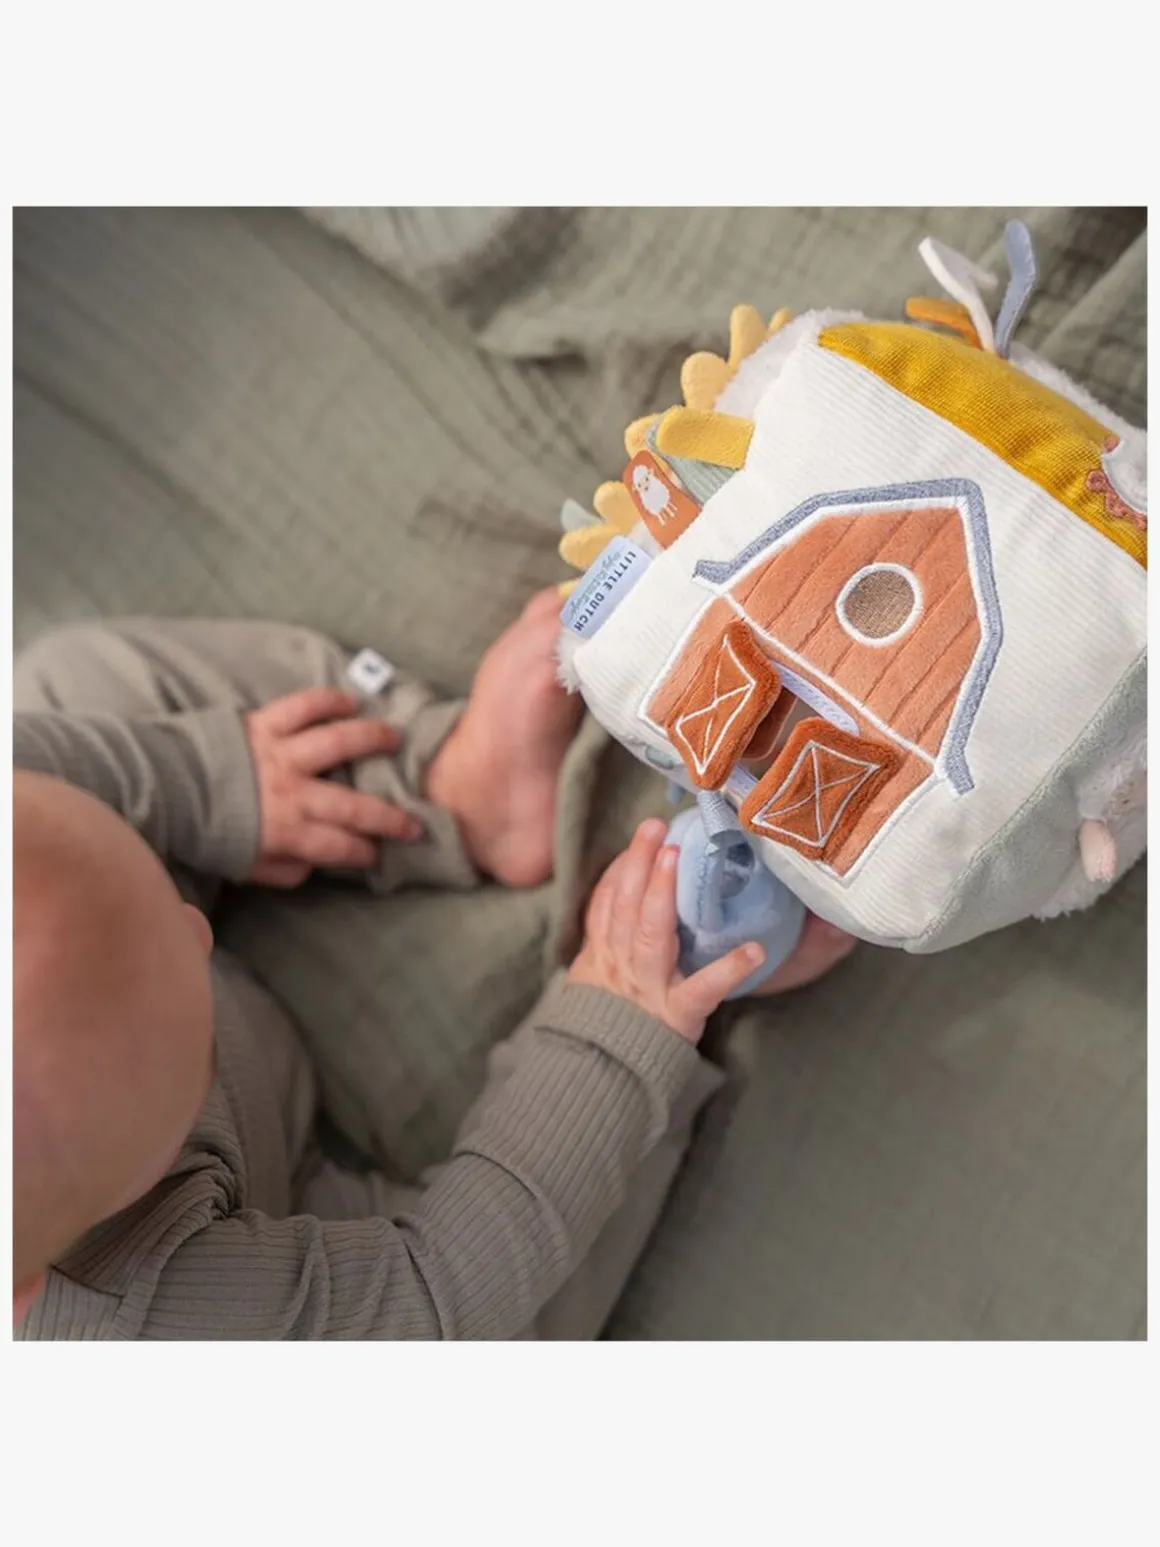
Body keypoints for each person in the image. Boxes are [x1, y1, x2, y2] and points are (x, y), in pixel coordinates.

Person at [12, 593, 853, 1339]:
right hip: (298, 1259)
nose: (192, 928)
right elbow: (441, 1289)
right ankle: (672, 996)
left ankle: (449, 793)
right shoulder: (152, 1326)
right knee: (485, 1324)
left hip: (179, 1028)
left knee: (70, 684)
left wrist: (218, 784)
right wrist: (617, 1028)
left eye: (165, 910)